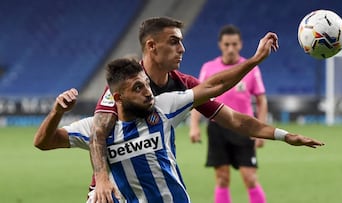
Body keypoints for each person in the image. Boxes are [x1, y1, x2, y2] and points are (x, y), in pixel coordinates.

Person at [34, 56, 324, 202]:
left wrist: (284, 135)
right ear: (118, 97)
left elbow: (218, 91)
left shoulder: (166, 106)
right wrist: (58, 111)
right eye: (138, 88)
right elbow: (43, 142)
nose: (148, 92)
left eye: (146, 84)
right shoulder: (96, 128)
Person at [189, 25, 268, 203]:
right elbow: (198, 99)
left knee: (250, 178)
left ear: (240, 45)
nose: (230, 48)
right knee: (222, 179)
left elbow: (262, 101)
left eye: (234, 44)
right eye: (226, 44)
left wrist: (261, 130)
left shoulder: (251, 68)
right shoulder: (208, 68)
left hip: (244, 127)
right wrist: (194, 126)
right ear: (220, 45)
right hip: (217, 128)